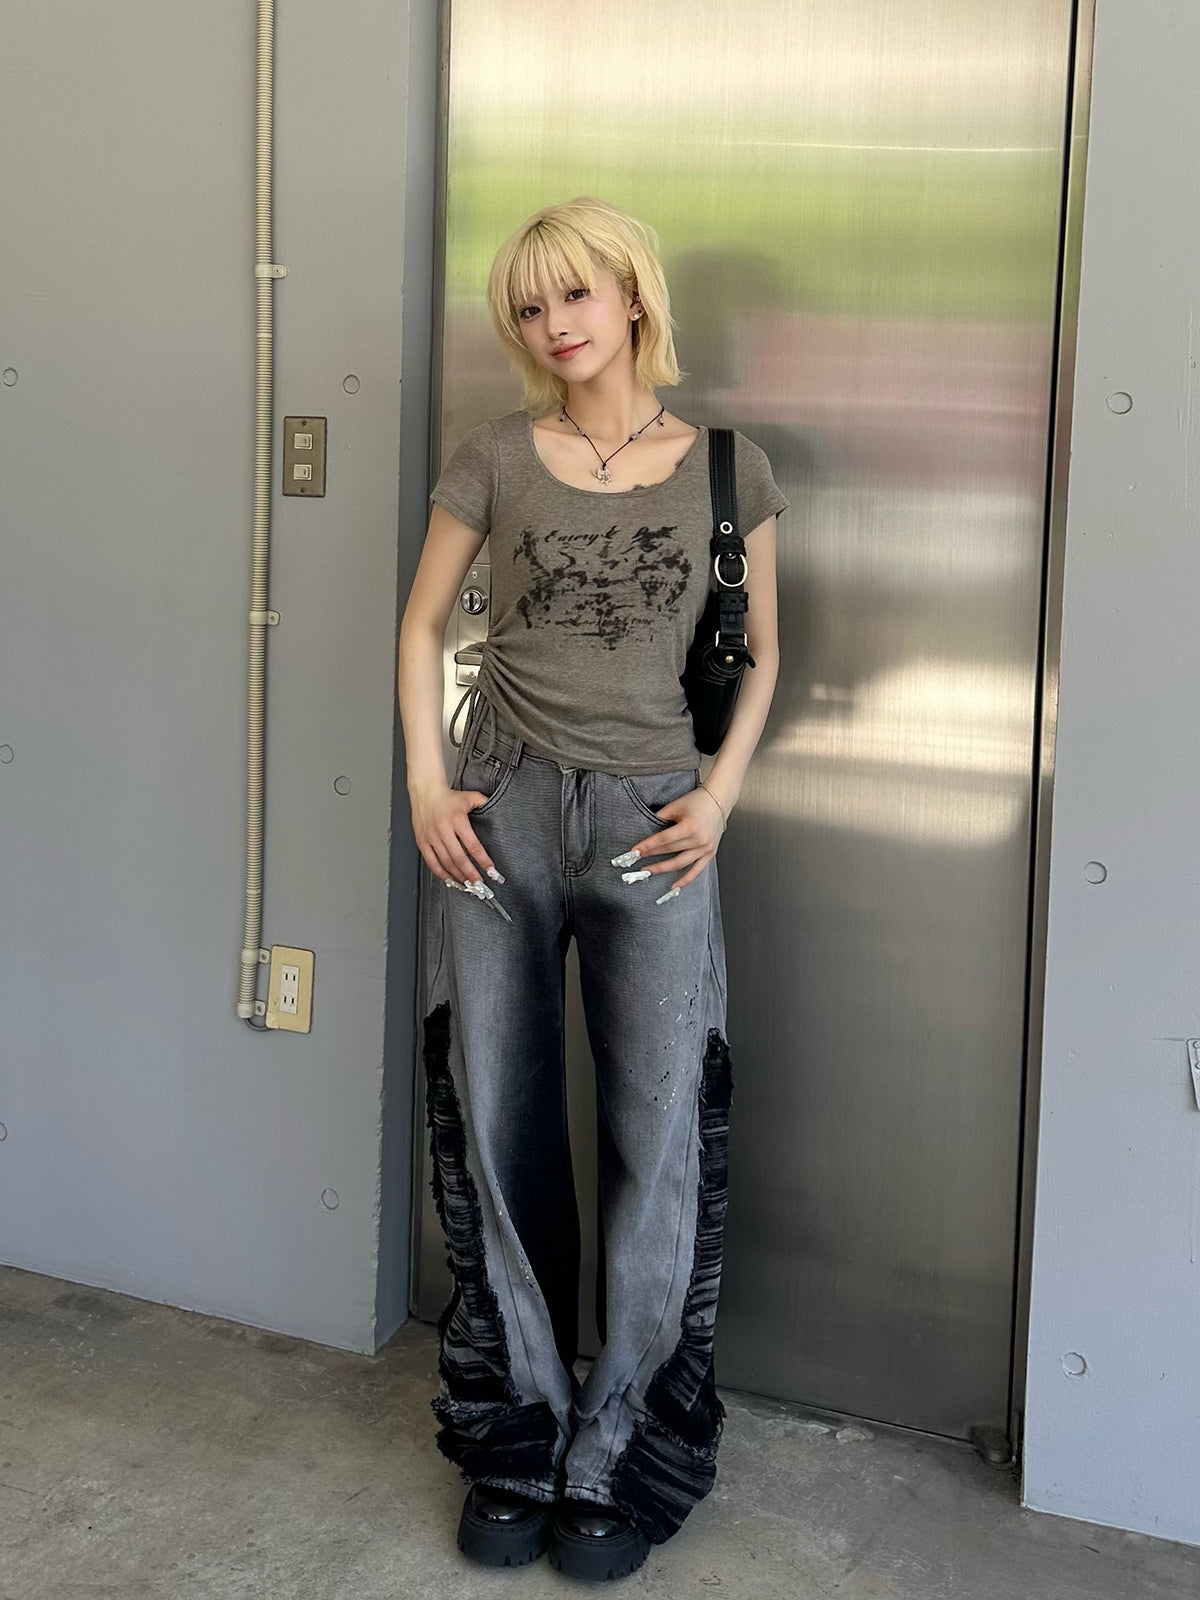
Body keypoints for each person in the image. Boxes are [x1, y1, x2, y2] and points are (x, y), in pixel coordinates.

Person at [397, 196, 788, 1583]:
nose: (553, 323)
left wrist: (719, 800)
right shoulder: (497, 457)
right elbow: (422, 625)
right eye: (528, 305)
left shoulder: (727, 468)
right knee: (496, 1115)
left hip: (654, 822)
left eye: (574, 294)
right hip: (499, 809)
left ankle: (620, 1445)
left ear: (631, 295)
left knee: (659, 1131)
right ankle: (517, 1434)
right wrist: (428, 783)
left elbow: (761, 658)